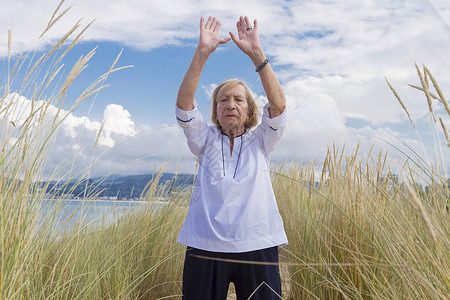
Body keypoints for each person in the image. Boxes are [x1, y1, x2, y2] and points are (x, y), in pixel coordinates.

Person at [176, 15, 287, 300]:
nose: (230, 104)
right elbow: (185, 106)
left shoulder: (262, 139)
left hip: (258, 243)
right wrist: (202, 52)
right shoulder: (204, 139)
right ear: (215, 109)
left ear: (250, 110)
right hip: (205, 245)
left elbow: (278, 105)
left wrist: (255, 53)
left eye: (238, 99)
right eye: (223, 99)